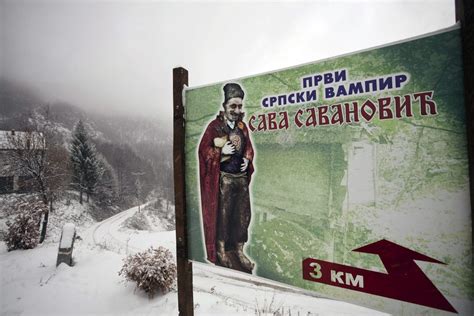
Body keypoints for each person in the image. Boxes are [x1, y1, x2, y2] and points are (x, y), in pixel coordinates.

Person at [198, 82, 255, 271]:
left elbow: (248, 147)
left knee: (242, 216)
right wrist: (220, 152)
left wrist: (248, 158)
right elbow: (203, 151)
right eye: (233, 106)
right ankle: (221, 250)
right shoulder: (214, 127)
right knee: (223, 216)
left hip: (241, 179)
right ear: (225, 106)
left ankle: (239, 250)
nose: (237, 110)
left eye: (239, 106)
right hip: (224, 179)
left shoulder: (242, 127)